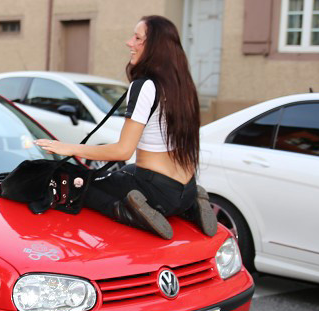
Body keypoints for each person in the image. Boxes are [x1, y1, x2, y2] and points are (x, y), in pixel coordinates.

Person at [35, 16, 216, 240]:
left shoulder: (145, 86)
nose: (129, 43)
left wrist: (69, 148)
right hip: (185, 187)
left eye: (137, 38)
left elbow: (123, 151)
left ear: (154, 46)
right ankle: (191, 205)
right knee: (123, 173)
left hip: (156, 192)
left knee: (81, 186)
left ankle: (129, 211)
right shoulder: (183, 84)